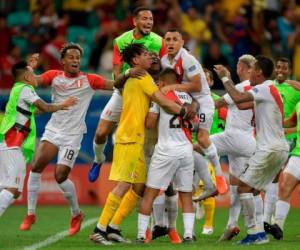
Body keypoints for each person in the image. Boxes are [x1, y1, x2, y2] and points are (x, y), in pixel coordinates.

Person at [89, 44, 196, 245]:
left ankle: (113, 227)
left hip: (136, 138)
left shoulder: (133, 77)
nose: (151, 56)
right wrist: (183, 111)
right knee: (124, 184)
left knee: (138, 188)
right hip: (130, 137)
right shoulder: (142, 77)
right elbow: (161, 100)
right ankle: (99, 229)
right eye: (146, 54)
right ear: (136, 60)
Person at [19, 43, 123, 236]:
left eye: (78, 58)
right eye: (71, 57)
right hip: (53, 130)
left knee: (60, 176)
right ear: (63, 61)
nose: (75, 60)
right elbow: (32, 82)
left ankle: (76, 214)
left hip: (72, 136)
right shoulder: (54, 76)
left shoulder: (89, 80)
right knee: (36, 166)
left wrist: (125, 74)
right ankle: (30, 214)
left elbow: (114, 85)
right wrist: (30, 68)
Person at [214, 55, 289, 245]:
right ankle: (259, 232)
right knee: (253, 191)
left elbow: (238, 97)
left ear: (258, 72)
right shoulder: (268, 91)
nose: (250, 74)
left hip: (269, 149)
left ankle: (255, 234)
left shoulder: (263, 88)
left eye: (253, 69)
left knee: (243, 188)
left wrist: (225, 78)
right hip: (278, 148)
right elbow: (240, 103)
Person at [89, 6, 167, 182]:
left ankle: (153, 180)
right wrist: (128, 74)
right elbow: (116, 75)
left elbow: (165, 71)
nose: (148, 22)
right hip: (123, 91)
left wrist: (156, 68)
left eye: (151, 19)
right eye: (145, 19)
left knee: (152, 138)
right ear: (135, 21)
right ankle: (98, 159)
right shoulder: (121, 41)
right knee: (101, 133)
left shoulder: (159, 42)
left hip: (147, 94)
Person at [0, 61, 76, 217]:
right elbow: (46, 108)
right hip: (12, 144)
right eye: (33, 74)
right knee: (12, 189)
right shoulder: (26, 89)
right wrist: (64, 104)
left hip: (10, 145)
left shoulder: (17, 89)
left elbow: (36, 111)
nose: (36, 78)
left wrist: (30, 66)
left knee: (14, 192)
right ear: (27, 76)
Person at [160, 29, 228, 195]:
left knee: (203, 138)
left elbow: (197, 86)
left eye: (175, 39)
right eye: (167, 39)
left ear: (182, 42)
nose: (170, 42)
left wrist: (173, 87)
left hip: (203, 101)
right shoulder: (164, 60)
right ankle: (204, 183)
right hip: (187, 101)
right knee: (187, 145)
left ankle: (219, 176)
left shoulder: (187, 59)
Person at [137, 68, 197, 243]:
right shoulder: (188, 98)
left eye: (158, 83)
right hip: (186, 149)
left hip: (166, 150)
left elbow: (150, 123)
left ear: (162, 83)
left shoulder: (159, 98)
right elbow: (195, 123)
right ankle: (188, 234)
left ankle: (141, 235)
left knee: (151, 193)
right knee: (186, 194)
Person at [209, 55, 257, 241]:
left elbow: (216, 104)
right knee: (240, 187)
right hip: (247, 140)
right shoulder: (255, 89)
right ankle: (233, 224)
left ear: (241, 67)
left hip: (233, 137)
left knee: (194, 148)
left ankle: (212, 182)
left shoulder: (240, 87)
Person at [263, 57, 300, 234]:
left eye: (284, 68)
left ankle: (268, 219)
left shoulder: (295, 90)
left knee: (276, 177)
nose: (280, 71)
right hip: (272, 138)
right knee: (278, 180)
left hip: (289, 141)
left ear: (290, 70)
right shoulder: (268, 86)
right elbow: (291, 119)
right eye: (278, 67)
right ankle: (273, 222)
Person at [270, 104, 300, 239]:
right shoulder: (299, 104)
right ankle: (278, 227)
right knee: (284, 187)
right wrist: (275, 122)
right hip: (298, 154)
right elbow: (293, 120)